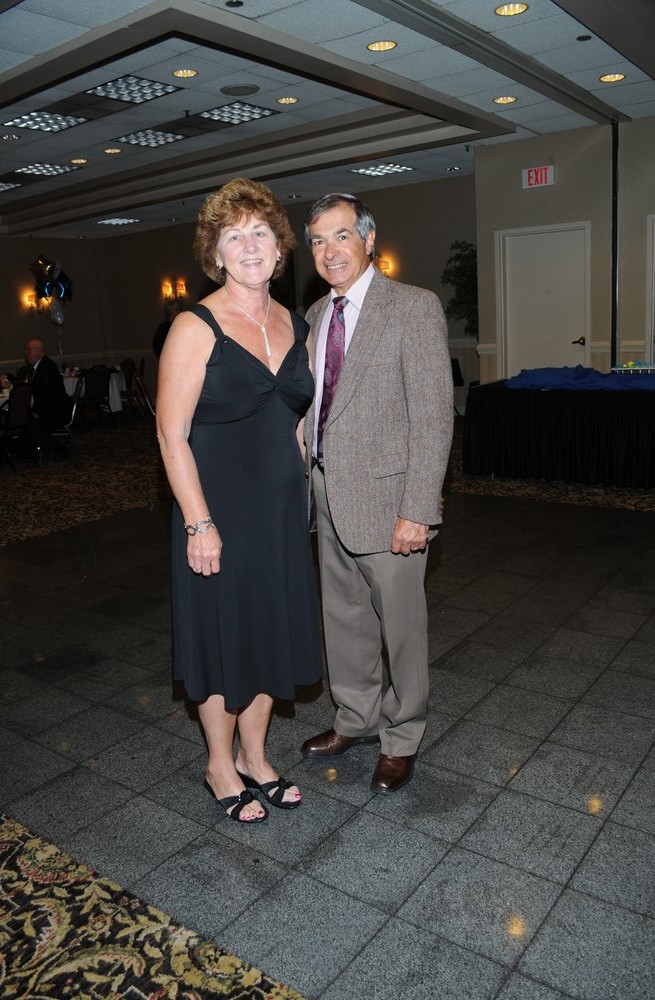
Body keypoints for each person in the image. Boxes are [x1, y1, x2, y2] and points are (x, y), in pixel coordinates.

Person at [156, 178, 323, 824]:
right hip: (217, 511)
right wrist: (199, 524)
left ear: (279, 250)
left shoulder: (294, 323)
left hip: (279, 513)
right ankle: (219, 764)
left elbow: (294, 420)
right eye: (235, 237)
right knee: (222, 636)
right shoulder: (194, 326)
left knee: (270, 628)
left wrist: (307, 486)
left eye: (260, 234)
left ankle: (256, 755)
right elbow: (170, 435)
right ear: (216, 254)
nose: (250, 246)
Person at [300, 193, 454, 794]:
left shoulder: (412, 307)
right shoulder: (316, 314)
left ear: (368, 239)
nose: (329, 251)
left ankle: (403, 733)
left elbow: (433, 417)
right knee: (343, 616)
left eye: (341, 236)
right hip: (326, 491)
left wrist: (418, 509)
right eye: (318, 240)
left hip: (391, 502)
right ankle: (355, 716)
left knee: (401, 629)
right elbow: (318, 404)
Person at [12, 339, 72, 459]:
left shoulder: (46, 368)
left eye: (29, 350)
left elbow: (43, 394)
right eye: (27, 350)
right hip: (50, 408)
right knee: (23, 418)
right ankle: (25, 449)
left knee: (28, 422)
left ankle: (58, 449)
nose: (26, 352)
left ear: (41, 352)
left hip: (56, 411)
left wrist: (35, 413)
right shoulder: (36, 367)